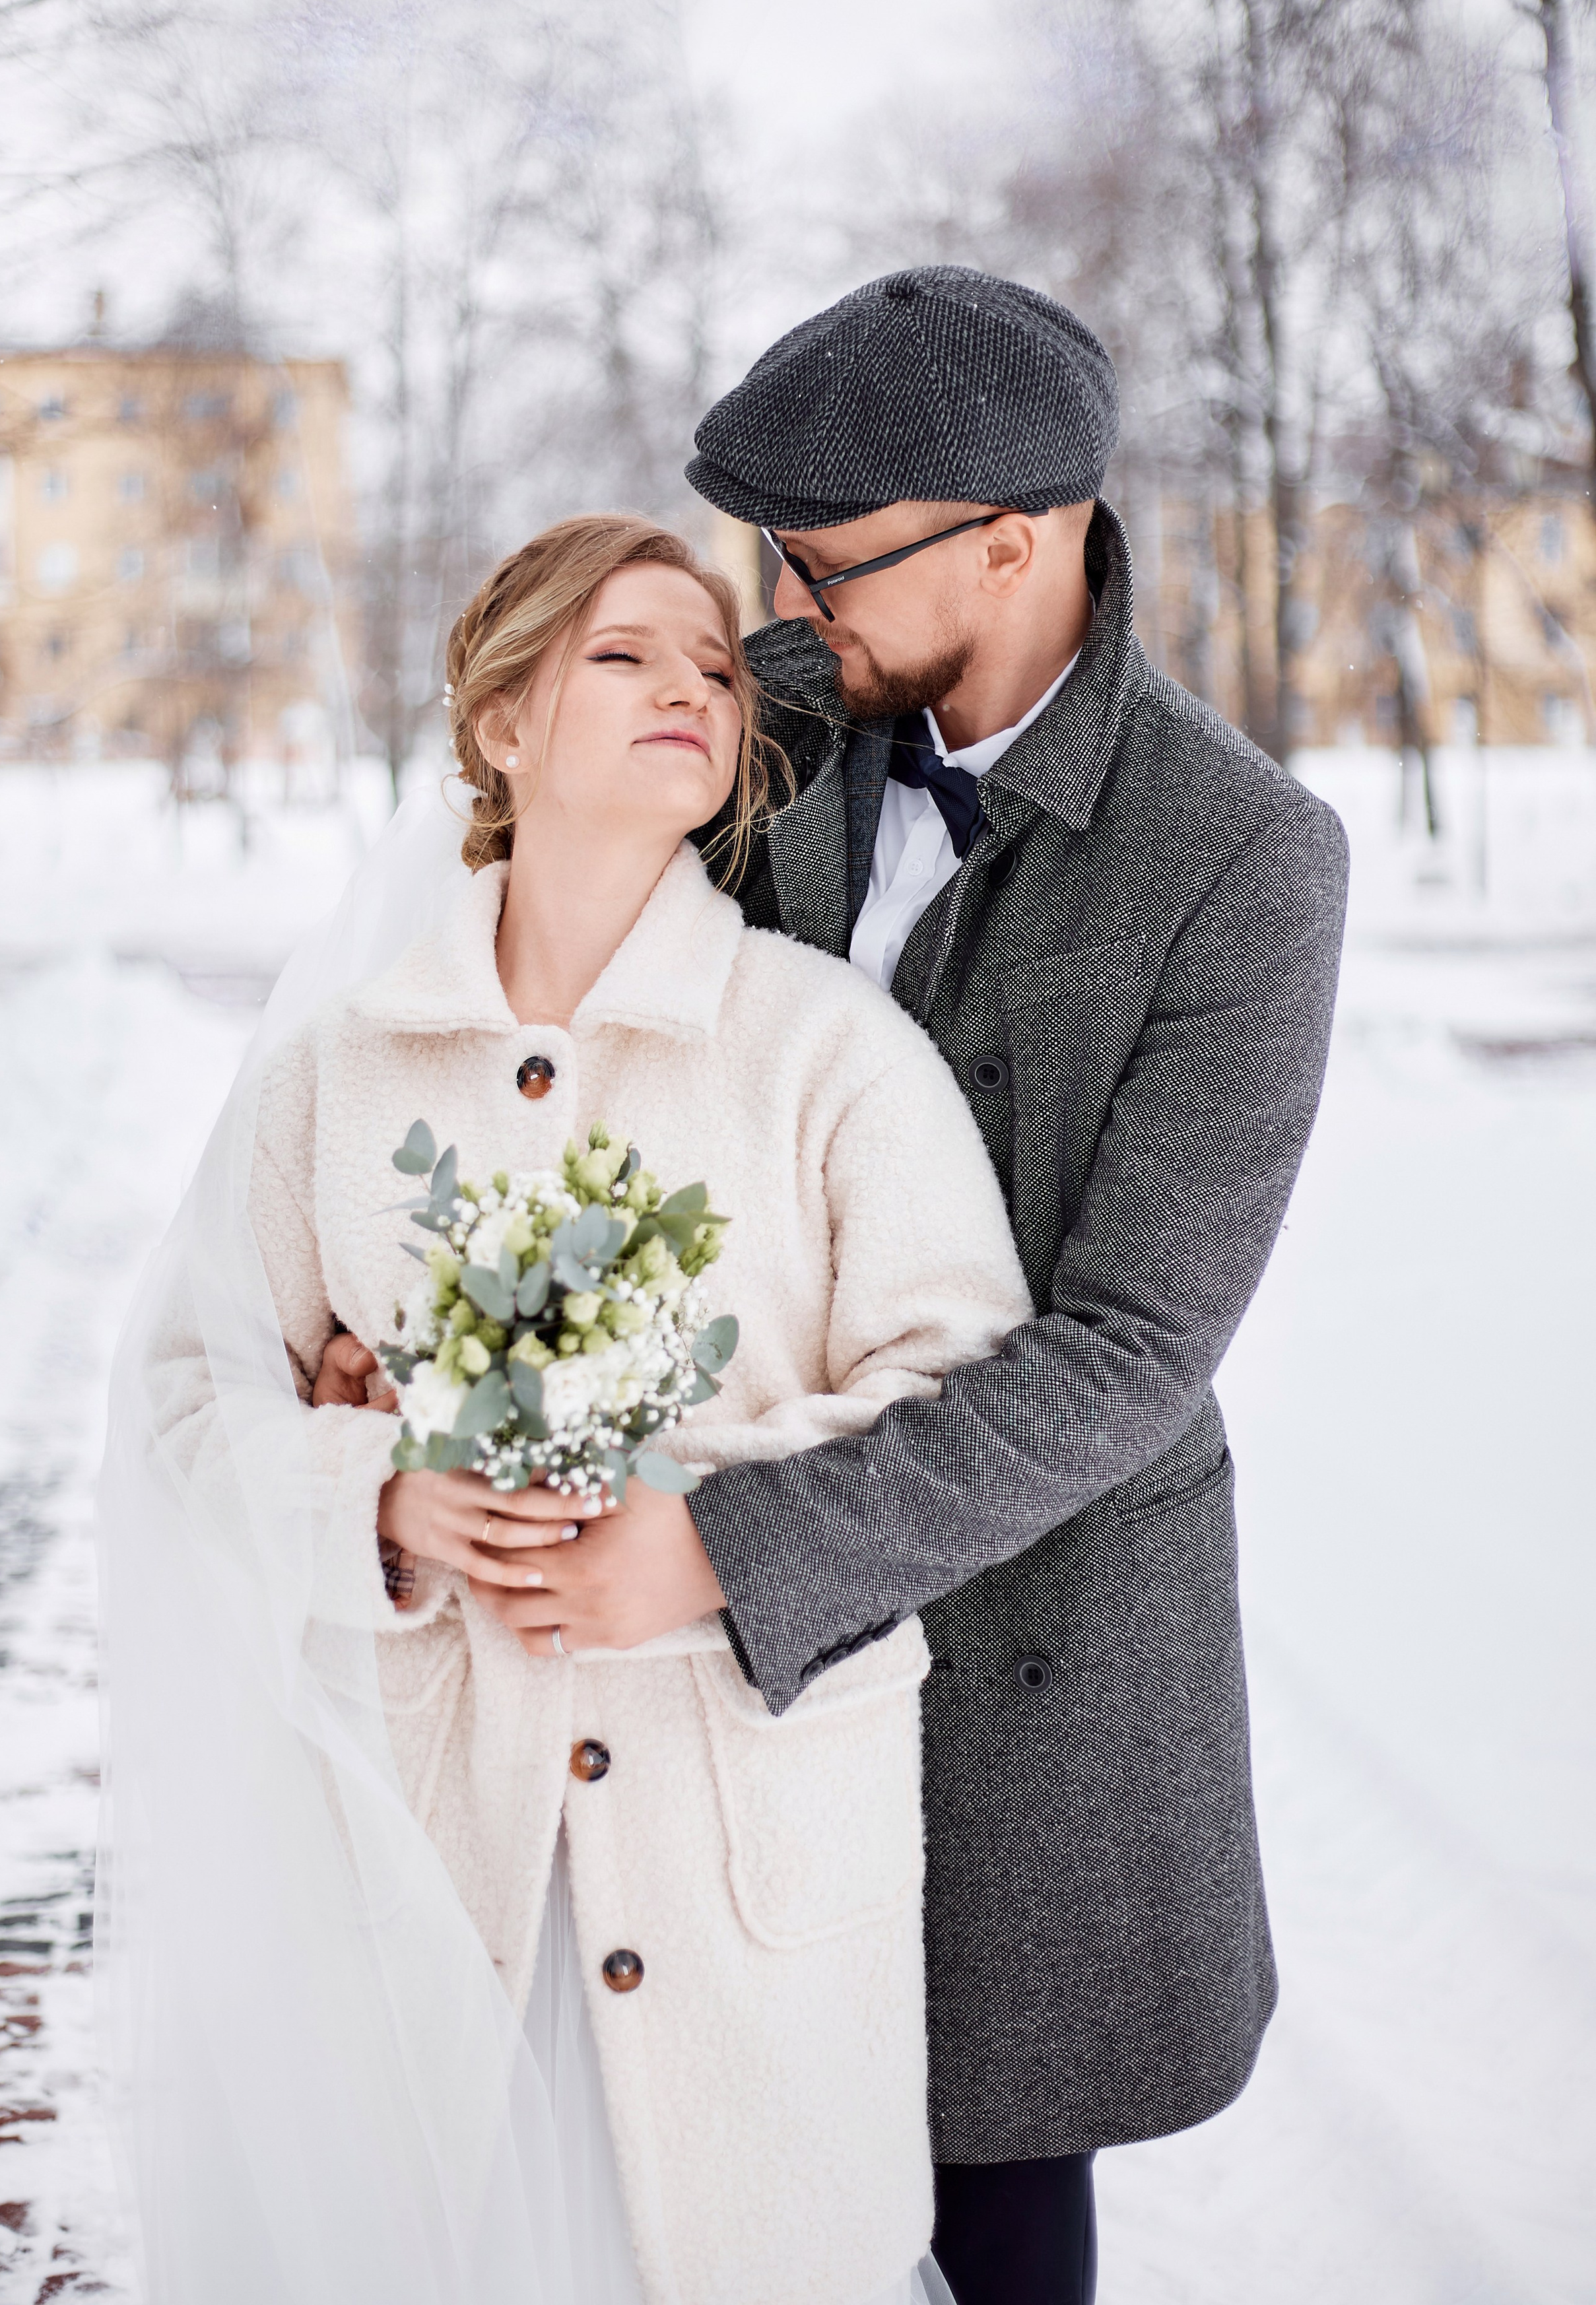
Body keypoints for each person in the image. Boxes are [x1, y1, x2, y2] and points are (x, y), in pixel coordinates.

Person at [318, 267, 1350, 2305]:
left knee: (979, 2214)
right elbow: (555, 1023)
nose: (786, 610)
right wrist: (418, 1323)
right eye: (768, 558)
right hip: (679, 1681)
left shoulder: (1242, 857)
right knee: (690, 2174)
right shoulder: (766, 724)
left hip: (1020, 1654)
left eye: (829, 563)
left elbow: (1131, 1351)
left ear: (1016, 537)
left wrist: (725, 1548)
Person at [103, 512, 1032, 2305]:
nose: (691, 684)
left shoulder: (825, 1052)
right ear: (502, 722)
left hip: (743, 1888)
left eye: (711, 664)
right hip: (426, 1886)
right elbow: (176, 1413)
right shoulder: (337, 1075)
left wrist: (702, 1531)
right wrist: (381, 1497)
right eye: (626, 656)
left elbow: (967, 1402)